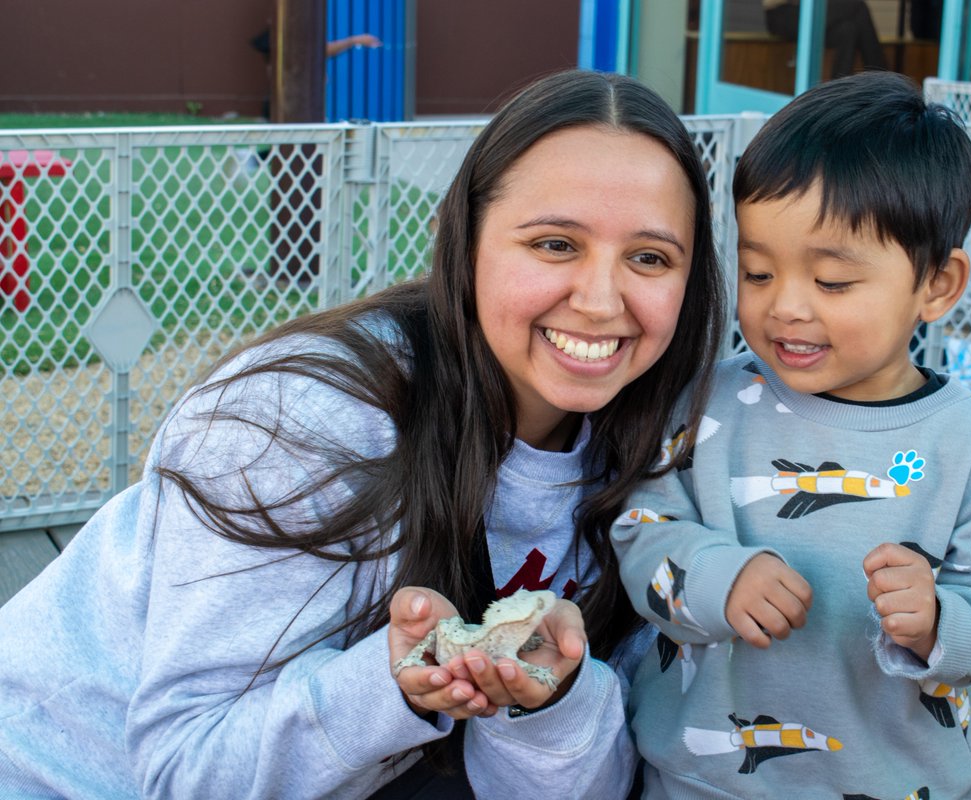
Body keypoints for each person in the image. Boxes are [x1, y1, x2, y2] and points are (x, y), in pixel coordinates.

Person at [0, 69, 727, 799]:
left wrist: (548, 704)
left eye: (649, 258)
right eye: (554, 244)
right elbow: (190, 771)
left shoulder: (662, 456)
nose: (601, 300)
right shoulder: (298, 419)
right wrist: (391, 686)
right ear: (464, 240)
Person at [612, 71, 971, 798]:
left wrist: (940, 619)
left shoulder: (966, 441)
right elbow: (641, 531)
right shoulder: (708, 404)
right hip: (702, 776)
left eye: (833, 283)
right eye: (757, 271)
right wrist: (717, 576)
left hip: (898, 780)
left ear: (937, 285)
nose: (786, 306)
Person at [762, 0, 887, 79]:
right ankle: (881, 77)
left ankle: (839, 89)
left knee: (848, 30)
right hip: (780, 13)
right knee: (858, 6)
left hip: (805, 8)